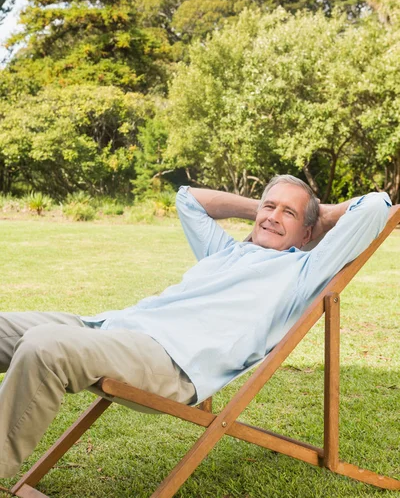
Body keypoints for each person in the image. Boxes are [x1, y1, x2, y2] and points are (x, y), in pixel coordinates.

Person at [0, 175, 391, 479]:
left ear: (308, 233)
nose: (273, 216)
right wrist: (267, 207)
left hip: (165, 361)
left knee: (43, 346)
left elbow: (376, 206)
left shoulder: (303, 272)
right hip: (110, 327)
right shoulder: (225, 253)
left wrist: (320, 214)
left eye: (289, 213)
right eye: (268, 207)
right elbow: (187, 198)